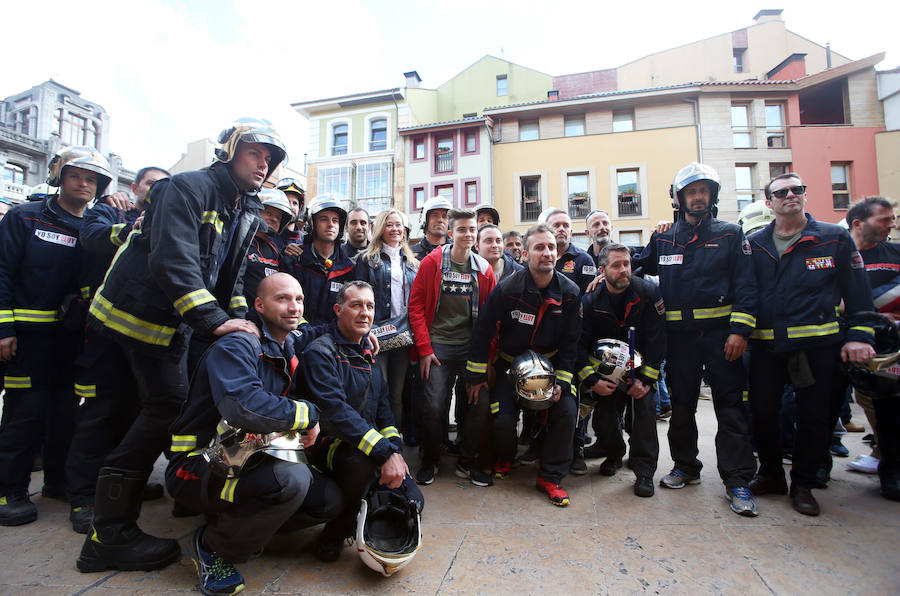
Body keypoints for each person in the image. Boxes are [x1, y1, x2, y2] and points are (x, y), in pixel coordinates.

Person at [78, 118, 286, 572]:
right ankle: (107, 532)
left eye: (269, 157)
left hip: (181, 324)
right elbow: (174, 261)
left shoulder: (245, 207)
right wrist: (215, 322)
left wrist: (236, 321)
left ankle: (169, 499)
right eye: (255, 152)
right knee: (161, 408)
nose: (264, 162)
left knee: (169, 408)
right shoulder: (186, 188)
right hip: (140, 318)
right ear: (229, 150)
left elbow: (228, 277)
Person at [166, 273, 338, 595]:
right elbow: (242, 407)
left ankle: (245, 528)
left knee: (329, 501)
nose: (294, 306)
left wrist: (370, 332)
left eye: (299, 299)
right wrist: (308, 415)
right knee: (293, 480)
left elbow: (324, 329)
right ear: (259, 305)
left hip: (245, 452)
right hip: (198, 463)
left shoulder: (286, 342)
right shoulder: (239, 344)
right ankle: (213, 546)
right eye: (283, 298)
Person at [634, 162, 759, 517]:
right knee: (683, 408)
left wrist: (739, 331)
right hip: (680, 341)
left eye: (704, 190)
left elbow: (747, 288)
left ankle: (737, 480)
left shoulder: (732, 235)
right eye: (692, 191)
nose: (698, 197)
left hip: (723, 339)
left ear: (712, 196)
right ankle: (686, 467)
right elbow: (635, 268)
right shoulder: (663, 238)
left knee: (730, 409)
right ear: (680, 198)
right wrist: (601, 276)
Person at [747, 173, 876, 516]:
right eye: (782, 192)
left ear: (804, 195)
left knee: (814, 417)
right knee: (762, 413)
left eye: (797, 190)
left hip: (819, 346)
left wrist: (860, 336)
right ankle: (772, 474)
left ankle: (803, 484)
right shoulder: (755, 243)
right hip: (766, 346)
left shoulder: (833, 239)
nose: (790, 195)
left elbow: (859, 293)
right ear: (769, 202)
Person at [0, 146, 112, 526]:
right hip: (27, 338)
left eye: (92, 179)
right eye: (76, 176)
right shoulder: (24, 218)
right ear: (59, 178)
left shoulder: (92, 231)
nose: (83, 184)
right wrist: (4, 329)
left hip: (71, 339)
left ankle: (58, 483)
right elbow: (2, 274)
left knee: (65, 414)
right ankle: (9, 491)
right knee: (24, 414)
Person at [66, 166, 170, 533]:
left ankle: (122, 490)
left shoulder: (170, 217)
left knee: (134, 410)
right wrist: (135, 227)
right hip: (105, 330)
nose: (156, 190)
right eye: (150, 184)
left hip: (141, 333)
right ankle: (81, 497)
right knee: (99, 412)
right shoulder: (111, 211)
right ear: (135, 187)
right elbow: (91, 237)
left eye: (163, 185)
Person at [302, 281, 422, 561]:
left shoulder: (370, 354)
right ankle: (335, 531)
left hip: (366, 444)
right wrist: (383, 454)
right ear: (338, 310)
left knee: (415, 500)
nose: (364, 313)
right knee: (362, 463)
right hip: (326, 446)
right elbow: (337, 414)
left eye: (369, 306)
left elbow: (384, 414)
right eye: (355, 305)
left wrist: (394, 451)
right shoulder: (321, 353)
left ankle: (366, 506)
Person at [466, 224, 581, 505]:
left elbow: (571, 343)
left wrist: (563, 383)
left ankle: (551, 476)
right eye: (539, 247)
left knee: (567, 411)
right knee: (503, 420)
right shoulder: (507, 288)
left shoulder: (570, 292)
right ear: (526, 253)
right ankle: (506, 458)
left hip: (552, 369)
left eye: (551, 247)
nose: (547, 253)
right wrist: (477, 373)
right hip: (508, 368)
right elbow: (482, 331)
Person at [408, 208, 496, 486]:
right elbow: (417, 306)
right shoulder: (431, 263)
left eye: (472, 230)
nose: (468, 234)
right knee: (434, 406)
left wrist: (485, 360)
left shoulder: (484, 269)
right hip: (438, 346)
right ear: (450, 232)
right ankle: (431, 459)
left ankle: (466, 461)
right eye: (462, 230)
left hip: (471, 348)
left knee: (479, 403)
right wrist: (424, 348)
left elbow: (491, 319)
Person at [576, 243, 665, 497]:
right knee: (604, 419)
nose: (624, 270)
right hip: (606, 373)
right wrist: (593, 380)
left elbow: (659, 339)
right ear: (602, 271)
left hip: (641, 370)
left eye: (626, 264)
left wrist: (646, 379)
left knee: (644, 415)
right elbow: (579, 343)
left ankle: (644, 470)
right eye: (616, 265)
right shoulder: (591, 300)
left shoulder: (648, 292)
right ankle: (613, 454)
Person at [846, 197, 900, 480]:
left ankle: (890, 467)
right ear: (858, 223)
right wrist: (873, 312)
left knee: (887, 406)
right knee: (837, 403)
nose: (891, 224)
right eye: (884, 219)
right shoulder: (835, 251)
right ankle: (817, 469)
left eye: (892, 219)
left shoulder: (895, 253)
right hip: (840, 340)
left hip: (887, 348)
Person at [354, 208, 419, 429]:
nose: (395, 229)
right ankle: (373, 438)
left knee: (397, 393)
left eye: (399, 225)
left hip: (402, 336)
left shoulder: (412, 263)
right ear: (381, 228)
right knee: (375, 390)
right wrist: (365, 331)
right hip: (376, 335)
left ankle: (394, 440)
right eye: (390, 224)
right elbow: (359, 296)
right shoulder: (366, 260)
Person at [287, 195, 355, 326]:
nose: (331, 225)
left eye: (335, 220)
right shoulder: (295, 260)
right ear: (311, 223)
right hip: (298, 334)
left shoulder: (349, 268)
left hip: (334, 339)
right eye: (324, 219)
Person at [242, 188, 294, 304]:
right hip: (240, 317)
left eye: (279, 217)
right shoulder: (240, 243)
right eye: (269, 213)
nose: (274, 219)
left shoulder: (277, 251)